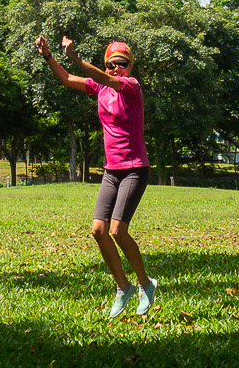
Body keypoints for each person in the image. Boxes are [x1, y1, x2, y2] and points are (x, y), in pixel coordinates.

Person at [36, 33, 158, 318]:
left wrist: (75, 57)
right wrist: (49, 57)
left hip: (134, 168)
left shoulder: (131, 86)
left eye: (122, 63)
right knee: (98, 231)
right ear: (106, 65)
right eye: (112, 64)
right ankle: (123, 287)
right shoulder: (100, 87)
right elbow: (68, 79)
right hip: (111, 170)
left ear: (130, 66)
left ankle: (146, 284)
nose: (117, 68)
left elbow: (102, 78)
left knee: (118, 230)